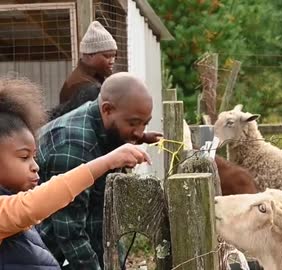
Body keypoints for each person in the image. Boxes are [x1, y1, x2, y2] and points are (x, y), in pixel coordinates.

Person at [0, 77, 151, 269]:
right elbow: (38, 204)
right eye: (24, 157)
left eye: (33, 156)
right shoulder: (72, 144)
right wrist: (106, 162)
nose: (35, 166)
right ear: (106, 109)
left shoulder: (15, 200)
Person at [37, 72, 162, 269]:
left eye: (144, 123)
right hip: (52, 254)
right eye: (133, 123)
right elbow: (70, 233)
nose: (138, 131)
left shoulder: (103, 123)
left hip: (94, 235)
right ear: (107, 109)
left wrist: (140, 137)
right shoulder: (73, 146)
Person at [59, 20, 117, 104]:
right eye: (107, 56)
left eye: (114, 56)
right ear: (90, 55)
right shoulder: (84, 86)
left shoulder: (91, 79)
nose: (112, 61)